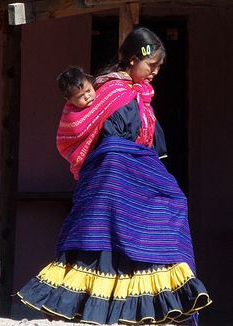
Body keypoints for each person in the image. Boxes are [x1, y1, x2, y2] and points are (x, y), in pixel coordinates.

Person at [17, 27, 211, 325]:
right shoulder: (112, 92)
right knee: (115, 244)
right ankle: (105, 310)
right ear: (133, 60)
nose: (155, 73)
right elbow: (112, 143)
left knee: (171, 205)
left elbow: (150, 145)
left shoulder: (139, 96)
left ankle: (148, 307)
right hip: (112, 180)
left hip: (134, 176)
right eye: (152, 65)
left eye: (159, 67)